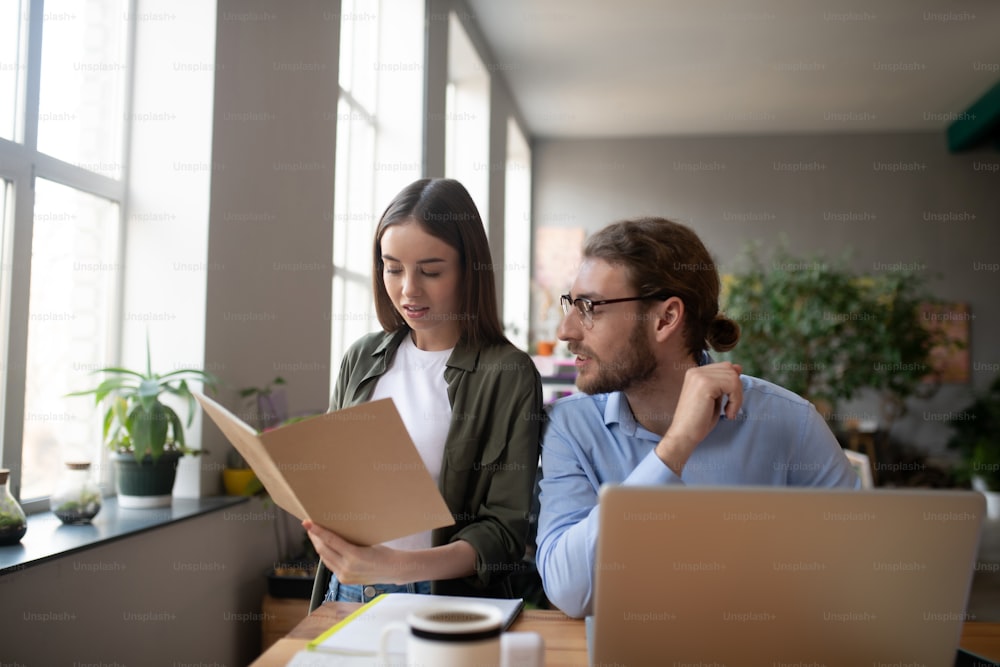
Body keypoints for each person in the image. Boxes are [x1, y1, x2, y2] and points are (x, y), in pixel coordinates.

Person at [536, 217, 859, 618]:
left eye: (589, 307)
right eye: (572, 305)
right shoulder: (570, 427)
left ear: (666, 319)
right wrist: (673, 449)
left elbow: (857, 573)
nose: (565, 329)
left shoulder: (789, 422)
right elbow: (570, 592)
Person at [307, 178, 543, 609]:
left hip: (439, 602)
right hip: (345, 592)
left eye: (431, 271)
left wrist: (396, 565)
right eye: (392, 268)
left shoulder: (507, 373)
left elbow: (505, 533)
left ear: (469, 270)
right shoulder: (361, 358)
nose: (408, 289)